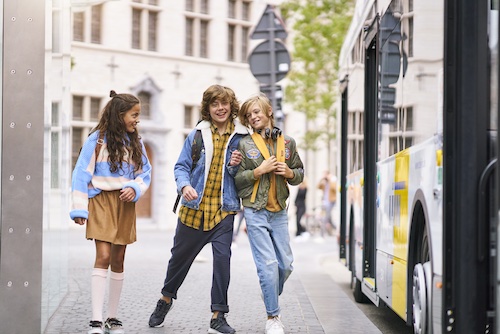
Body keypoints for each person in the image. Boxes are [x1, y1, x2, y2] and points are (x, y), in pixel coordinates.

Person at [148, 85, 247, 334]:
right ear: (208, 108)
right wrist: (184, 187)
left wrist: (236, 166)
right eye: (215, 104)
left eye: (224, 103)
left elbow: (241, 177)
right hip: (193, 210)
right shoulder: (197, 135)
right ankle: (166, 299)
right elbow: (181, 167)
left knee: (222, 261)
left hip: (223, 211)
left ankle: (218, 315)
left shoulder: (241, 138)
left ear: (231, 106)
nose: (220, 108)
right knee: (178, 261)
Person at [70, 90, 152, 334]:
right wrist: (79, 208)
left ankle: (112, 318)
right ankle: (96, 320)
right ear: (119, 115)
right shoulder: (96, 140)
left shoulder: (136, 143)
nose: (137, 120)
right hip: (102, 202)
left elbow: (144, 174)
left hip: (124, 203)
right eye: (134, 114)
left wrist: (134, 188)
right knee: (103, 256)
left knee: (118, 259)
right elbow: (81, 174)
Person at [234, 93, 304, 334]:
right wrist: (258, 171)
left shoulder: (288, 143)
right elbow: (237, 182)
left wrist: (289, 173)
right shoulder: (245, 144)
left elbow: (300, 173)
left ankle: (269, 291)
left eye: (257, 112)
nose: (253, 117)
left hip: (279, 213)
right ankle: (273, 317)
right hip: (255, 212)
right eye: (249, 115)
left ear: (269, 112)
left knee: (285, 266)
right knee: (268, 265)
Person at [317, 170, 337, 234]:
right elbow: (318, 187)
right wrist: (321, 179)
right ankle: (337, 229)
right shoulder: (324, 183)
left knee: (325, 217)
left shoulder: (333, 181)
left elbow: (334, 189)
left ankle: (322, 234)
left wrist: (330, 180)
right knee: (329, 218)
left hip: (331, 202)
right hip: (325, 202)